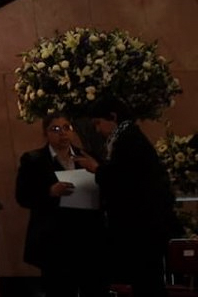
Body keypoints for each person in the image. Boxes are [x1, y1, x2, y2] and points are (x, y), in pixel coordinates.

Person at [73, 99, 180, 297]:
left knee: (147, 282)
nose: (97, 129)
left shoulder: (128, 140)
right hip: (144, 227)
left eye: (98, 122)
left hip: (143, 228)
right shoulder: (126, 137)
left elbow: (124, 180)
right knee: (145, 282)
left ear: (113, 117)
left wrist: (96, 168)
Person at [15, 116, 107, 297]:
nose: (62, 133)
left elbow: (105, 189)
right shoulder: (34, 160)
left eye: (67, 127)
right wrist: (49, 192)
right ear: (45, 133)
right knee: (59, 290)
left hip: (88, 239)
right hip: (54, 242)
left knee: (94, 288)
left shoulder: (88, 157)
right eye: (55, 129)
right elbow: (22, 196)